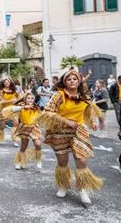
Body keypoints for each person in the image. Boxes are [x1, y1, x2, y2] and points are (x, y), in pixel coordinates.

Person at [38, 69, 103, 205]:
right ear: (65, 82)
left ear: (79, 81)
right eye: (69, 79)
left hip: (78, 130)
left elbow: (89, 109)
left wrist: (93, 121)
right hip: (59, 130)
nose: (72, 81)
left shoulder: (84, 95)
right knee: (62, 162)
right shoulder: (59, 95)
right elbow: (48, 112)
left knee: (82, 160)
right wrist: (67, 121)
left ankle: (82, 189)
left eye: (74, 79)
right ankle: (63, 185)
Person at [2, 93, 43, 170]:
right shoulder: (21, 107)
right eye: (28, 98)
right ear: (25, 99)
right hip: (25, 127)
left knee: (38, 144)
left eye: (32, 98)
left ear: (34, 100)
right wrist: (24, 107)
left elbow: (40, 116)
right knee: (23, 147)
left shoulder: (36, 108)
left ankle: (38, 159)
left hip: (34, 128)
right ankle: (19, 161)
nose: (30, 100)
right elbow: (12, 109)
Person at [0, 79, 20, 146]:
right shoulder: (1, 91)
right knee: (2, 127)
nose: (7, 83)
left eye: (8, 82)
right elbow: (2, 101)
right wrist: (11, 100)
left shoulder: (14, 91)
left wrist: (17, 101)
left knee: (16, 125)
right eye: (5, 82)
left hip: (13, 110)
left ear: (10, 83)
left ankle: (15, 140)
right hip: (4, 110)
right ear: (3, 83)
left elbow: (18, 99)